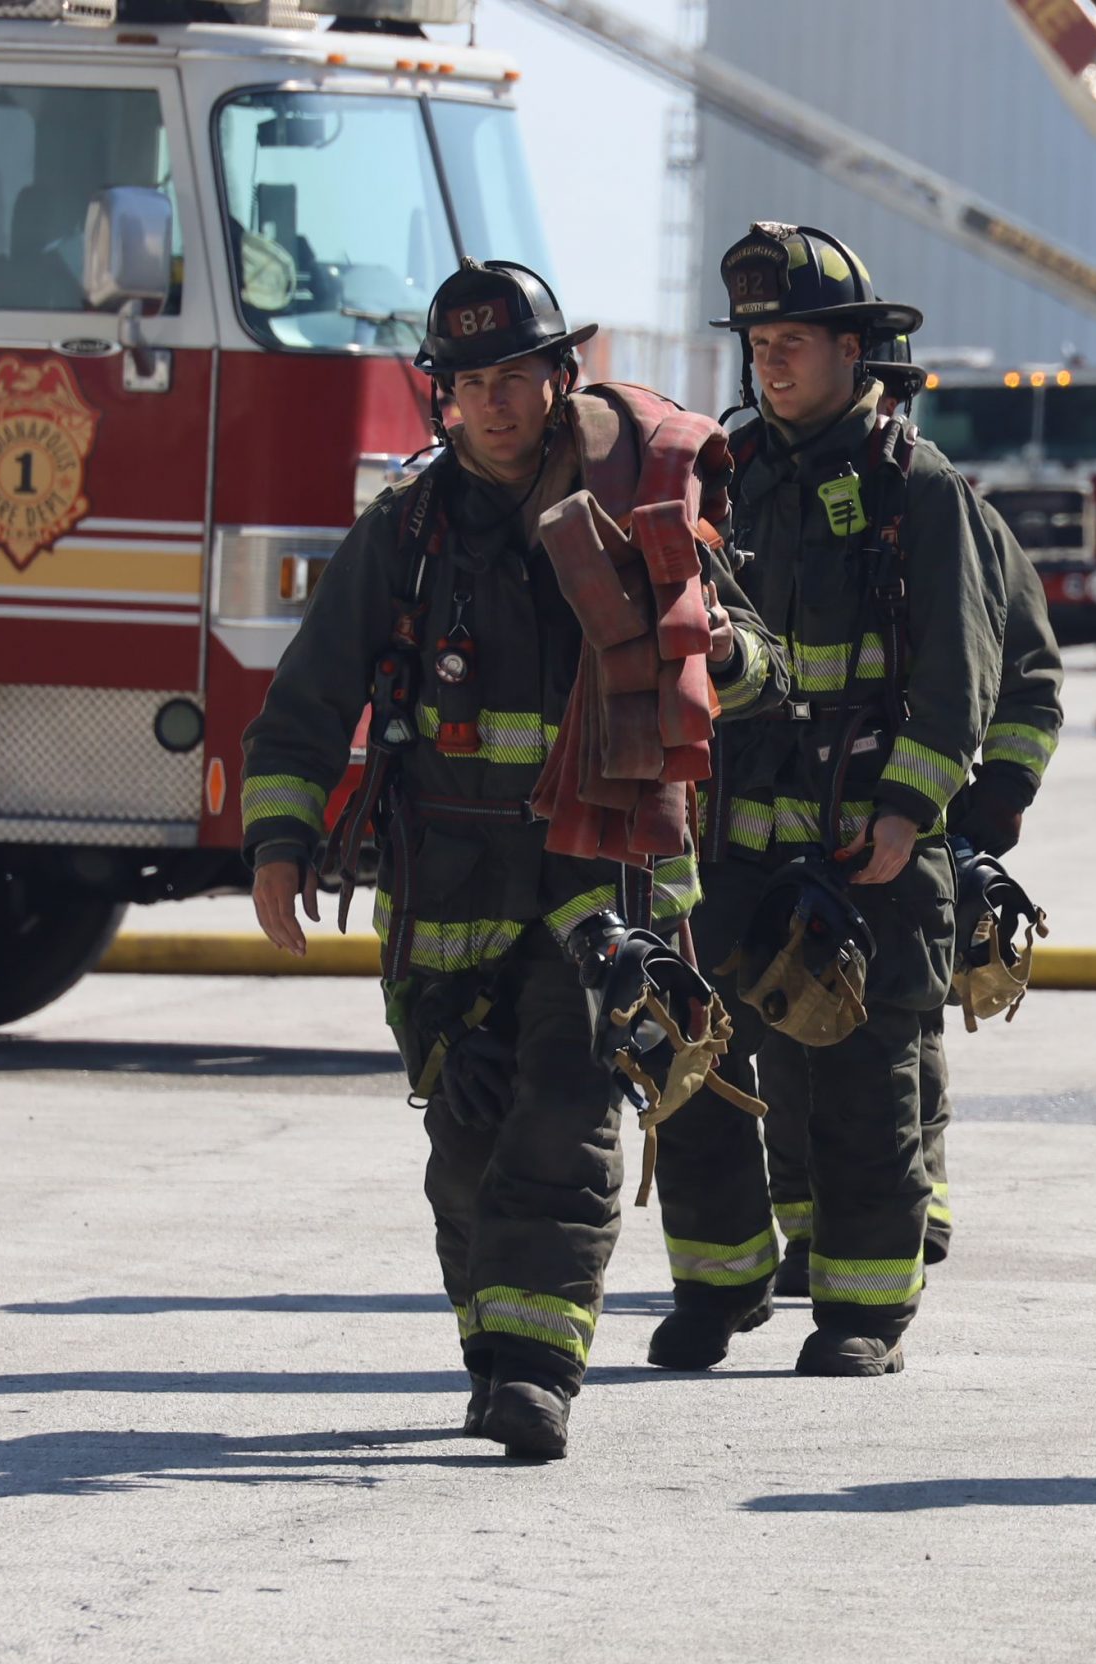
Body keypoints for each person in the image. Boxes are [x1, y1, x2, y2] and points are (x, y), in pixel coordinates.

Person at [240, 259, 786, 1459]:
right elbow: (302, 704)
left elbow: (762, 662)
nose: (494, 404)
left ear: (559, 376)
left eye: (517, 377)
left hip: (607, 886)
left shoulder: (641, 506)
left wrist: (701, 653)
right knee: (469, 1144)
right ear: (440, 397)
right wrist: (279, 841)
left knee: (570, 1116)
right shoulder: (404, 533)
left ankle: (536, 1371)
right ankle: (494, 1351)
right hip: (447, 895)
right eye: (469, 382)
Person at [643, 222, 1004, 1379]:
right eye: (756, 343)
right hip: (729, 852)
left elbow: (962, 679)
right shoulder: (725, 479)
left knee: (862, 1092)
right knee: (687, 1064)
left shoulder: (919, 491)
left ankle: (863, 1313)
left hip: (871, 852)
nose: (769, 362)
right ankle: (719, 1286)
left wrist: (905, 812)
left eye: (791, 340)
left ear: (855, 351)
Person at [761, 411, 1065, 1288]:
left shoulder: (946, 512)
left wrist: (993, 801)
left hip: (922, 819)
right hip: (790, 824)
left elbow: (1028, 675)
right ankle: (813, 1231)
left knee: (902, 1023)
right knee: (792, 1030)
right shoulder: (771, 492)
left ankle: (914, 1205)